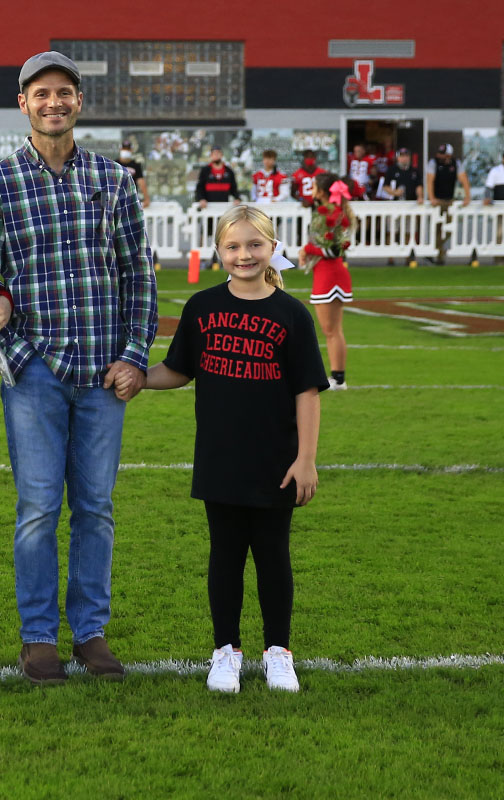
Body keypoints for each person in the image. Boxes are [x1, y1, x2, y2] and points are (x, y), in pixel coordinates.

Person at [0, 51, 159, 685]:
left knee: (97, 508)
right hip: (36, 372)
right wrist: (17, 361)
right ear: (22, 103)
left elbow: (138, 276)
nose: (54, 102)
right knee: (39, 508)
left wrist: (134, 355)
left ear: (79, 101)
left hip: (104, 371)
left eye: (65, 92)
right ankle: (38, 637)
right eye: (41, 93)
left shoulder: (113, 179)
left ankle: (92, 632)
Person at [139, 204, 327, 694]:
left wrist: (305, 458)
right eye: (233, 246)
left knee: (272, 556)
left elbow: (307, 391)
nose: (244, 255)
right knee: (224, 556)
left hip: (275, 461)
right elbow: (178, 369)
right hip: (220, 458)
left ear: (272, 248)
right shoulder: (202, 307)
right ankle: (225, 650)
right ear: (219, 251)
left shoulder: (291, 314)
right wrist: (137, 378)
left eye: (254, 245)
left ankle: (278, 652)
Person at [298, 173, 355, 390]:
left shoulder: (329, 213)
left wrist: (307, 249)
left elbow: (333, 250)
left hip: (329, 274)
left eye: (313, 186)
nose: (311, 189)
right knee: (333, 330)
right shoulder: (333, 212)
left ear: (321, 191)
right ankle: (338, 378)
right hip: (329, 273)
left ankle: (338, 379)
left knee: (331, 330)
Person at [426, 144, 472, 262]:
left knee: (449, 228)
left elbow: (463, 179)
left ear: (449, 155)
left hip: (450, 200)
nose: (439, 155)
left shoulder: (455, 163)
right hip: (437, 200)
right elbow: (430, 180)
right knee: (437, 228)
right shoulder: (433, 163)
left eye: (443, 153)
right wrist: (431, 197)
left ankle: (434, 248)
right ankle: (439, 255)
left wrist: (468, 196)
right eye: (439, 153)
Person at [116, 139, 151, 207]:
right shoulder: (114, 164)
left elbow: (141, 182)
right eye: (124, 149)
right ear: (120, 149)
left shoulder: (136, 165)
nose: (126, 151)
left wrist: (146, 198)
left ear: (131, 150)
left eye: (128, 149)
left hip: (131, 199)